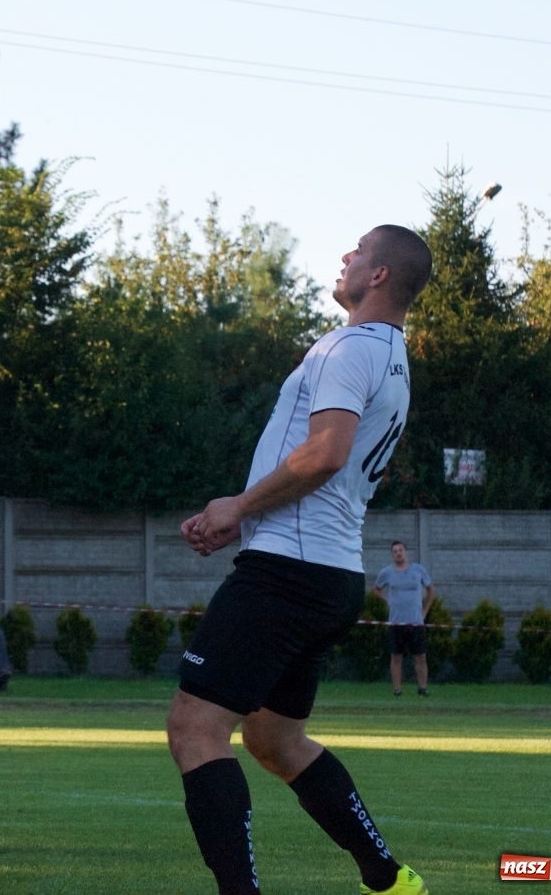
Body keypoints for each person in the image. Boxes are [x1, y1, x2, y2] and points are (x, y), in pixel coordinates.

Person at [167, 225, 433, 895]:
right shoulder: (392, 357)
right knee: (275, 740)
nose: (345, 256)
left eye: (358, 250)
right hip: (329, 573)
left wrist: (238, 507)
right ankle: (387, 873)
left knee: (196, 727)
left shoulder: (345, 347)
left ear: (377, 276)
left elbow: (326, 453)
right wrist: (247, 511)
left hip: (289, 573)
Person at [374, 541, 434, 697]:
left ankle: (422, 688)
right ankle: (397, 690)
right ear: (392, 555)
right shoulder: (386, 572)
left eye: (400, 550)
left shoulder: (418, 570)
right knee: (396, 657)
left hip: (416, 622)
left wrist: (425, 611)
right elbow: (376, 589)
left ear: (406, 552)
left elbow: (430, 591)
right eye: (394, 551)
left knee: (420, 656)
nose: (398, 553)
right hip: (396, 621)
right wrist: (387, 599)